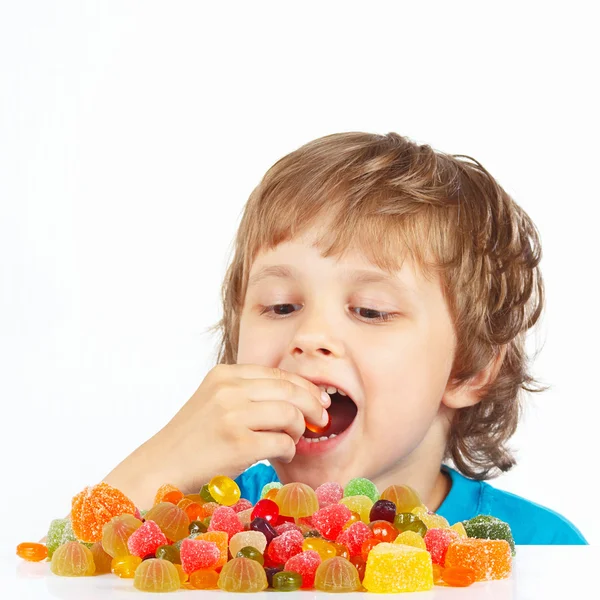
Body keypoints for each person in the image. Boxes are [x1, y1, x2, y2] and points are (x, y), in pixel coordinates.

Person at [104, 131, 587, 544]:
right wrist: (156, 469)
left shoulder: (540, 549)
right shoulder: (193, 522)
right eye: (280, 306)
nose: (310, 335)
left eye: (371, 311)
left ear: (471, 367)